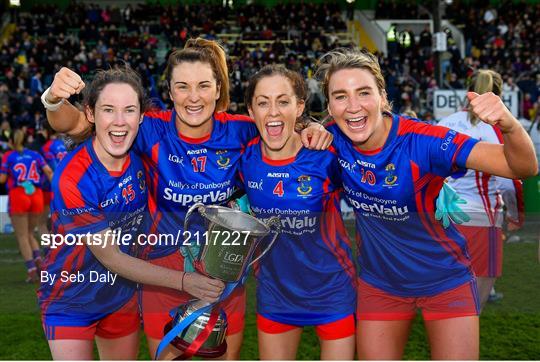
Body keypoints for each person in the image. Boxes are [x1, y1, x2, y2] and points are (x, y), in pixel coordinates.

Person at [42, 38, 332, 359]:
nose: (193, 97)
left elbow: (279, 124)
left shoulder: (240, 131)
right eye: (182, 87)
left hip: (223, 275)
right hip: (161, 273)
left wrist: (311, 127)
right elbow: (76, 122)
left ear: (219, 90)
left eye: (203, 86)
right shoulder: (148, 128)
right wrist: (53, 99)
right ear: (169, 92)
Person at [315, 48, 538, 360]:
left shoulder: (423, 141)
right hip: (380, 285)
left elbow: (522, 167)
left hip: (445, 280)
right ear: (329, 105)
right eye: (340, 96)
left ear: (382, 95)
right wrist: (307, 129)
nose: (353, 106)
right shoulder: (330, 140)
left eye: (363, 92)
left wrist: (510, 125)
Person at [38, 66, 219, 360]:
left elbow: (203, 119)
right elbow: (111, 257)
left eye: (129, 110)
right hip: (70, 298)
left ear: (141, 117)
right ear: (92, 114)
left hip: (120, 296)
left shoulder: (141, 148)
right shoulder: (74, 176)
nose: (119, 122)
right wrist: (53, 99)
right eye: (108, 109)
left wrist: (305, 127)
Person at [240, 65, 356, 360]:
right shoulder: (245, 158)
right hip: (275, 292)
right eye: (263, 102)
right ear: (251, 111)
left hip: (332, 290)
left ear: (299, 106)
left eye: (283, 101)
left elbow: (373, 179)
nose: (273, 111)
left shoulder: (325, 155)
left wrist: (434, 187)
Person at [439, 69, 524, 310]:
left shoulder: (444, 123)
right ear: (497, 95)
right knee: (473, 305)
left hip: (445, 216)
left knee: (450, 292)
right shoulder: (495, 129)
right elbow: (510, 180)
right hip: (481, 218)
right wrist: (515, 216)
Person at [0, 129, 52, 282]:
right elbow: (48, 171)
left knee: (22, 236)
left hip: (19, 194)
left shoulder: (9, 156)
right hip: (36, 194)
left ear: (11, 142)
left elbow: (2, 179)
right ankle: (40, 263)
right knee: (30, 233)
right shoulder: (35, 155)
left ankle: (32, 271)